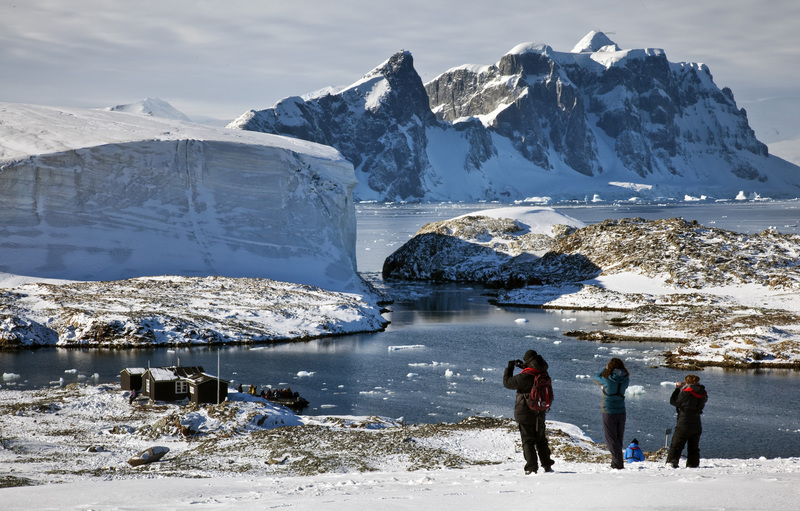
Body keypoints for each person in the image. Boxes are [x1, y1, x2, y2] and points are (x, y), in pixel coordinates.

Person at [503, 349, 555, 475]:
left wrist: (509, 368)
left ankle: (531, 468)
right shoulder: (543, 373)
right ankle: (547, 465)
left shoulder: (526, 376)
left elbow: (507, 383)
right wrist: (523, 366)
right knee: (541, 439)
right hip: (540, 411)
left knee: (528, 441)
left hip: (525, 413)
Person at [593, 357, 630, 469]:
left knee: (610, 438)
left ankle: (618, 463)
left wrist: (605, 369)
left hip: (608, 410)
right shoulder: (626, 379)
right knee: (619, 438)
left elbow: (596, 378)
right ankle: (616, 463)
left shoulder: (607, 379)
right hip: (621, 410)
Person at [666, 374, 708, 468]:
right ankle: (693, 465)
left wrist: (677, 389)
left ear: (687, 382)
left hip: (684, 422)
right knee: (694, 447)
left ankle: (671, 463)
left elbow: (674, 402)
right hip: (697, 422)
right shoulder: (703, 393)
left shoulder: (686, 392)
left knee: (676, 444)